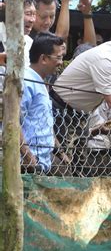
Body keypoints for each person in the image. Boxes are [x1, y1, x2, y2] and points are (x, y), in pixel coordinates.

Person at [20, 32, 66, 173]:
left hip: (42, 160)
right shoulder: (27, 81)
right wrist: (29, 158)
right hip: (26, 165)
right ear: (44, 59)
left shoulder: (41, 82)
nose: (61, 62)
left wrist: (60, 152)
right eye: (58, 57)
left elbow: (43, 121)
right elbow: (12, 122)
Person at [32, 0, 96, 45]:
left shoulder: (47, 35)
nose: (48, 22)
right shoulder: (26, 37)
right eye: (43, 17)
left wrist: (87, 14)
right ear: (32, 13)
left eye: (51, 16)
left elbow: (89, 48)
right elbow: (59, 38)